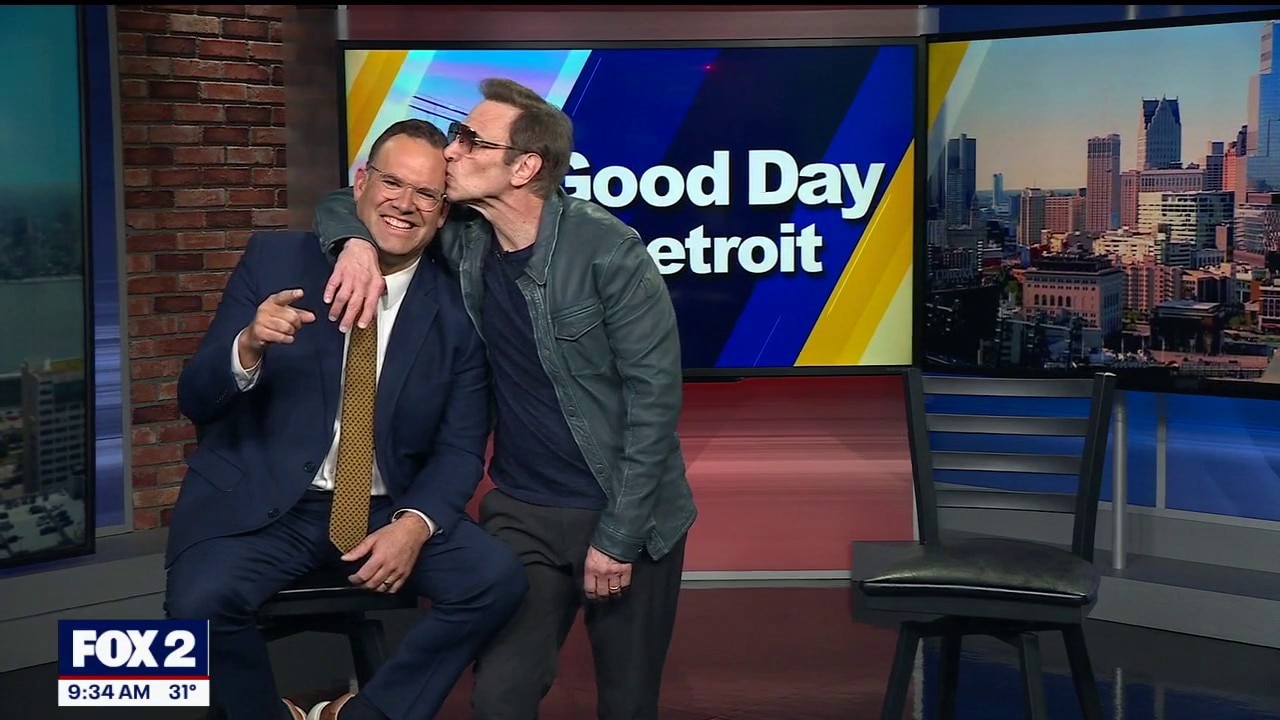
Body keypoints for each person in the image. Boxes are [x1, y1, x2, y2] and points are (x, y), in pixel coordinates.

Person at [312, 78, 697, 720]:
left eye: (470, 140)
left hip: (627, 509)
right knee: (499, 697)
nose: (451, 151)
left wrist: (619, 537)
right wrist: (353, 244)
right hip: (522, 509)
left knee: (628, 704)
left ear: (524, 168)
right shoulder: (465, 237)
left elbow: (654, 405)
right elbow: (347, 201)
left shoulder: (609, 251)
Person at [164, 118, 528, 720]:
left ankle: (363, 715)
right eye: (392, 183)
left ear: (443, 213)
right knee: (199, 604)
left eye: (426, 194)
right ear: (361, 183)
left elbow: (461, 447)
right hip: (267, 504)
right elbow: (195, 399)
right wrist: (247, 345)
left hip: (385, 509)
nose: (404, 204)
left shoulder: (459, 307)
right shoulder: (276, 260)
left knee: (495, 581)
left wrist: (415, 525)